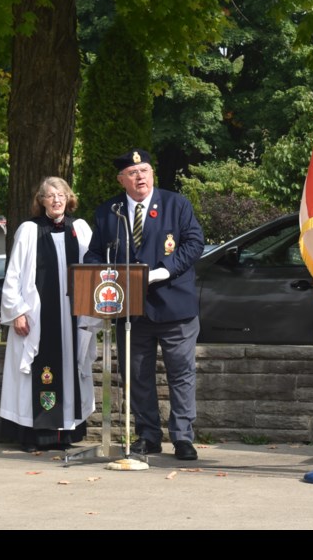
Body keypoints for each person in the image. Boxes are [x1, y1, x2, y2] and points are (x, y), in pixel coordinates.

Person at [84, 149, 204, 461]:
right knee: (137, 375)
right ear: (121, 179)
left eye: (145, 171)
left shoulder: (176, 205)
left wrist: (163, 269)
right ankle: (148, 435)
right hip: (131, 311)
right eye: (134, 173)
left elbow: (194, 243)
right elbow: (94, 255)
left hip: (174, 305)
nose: (141, 177)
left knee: (181, 374)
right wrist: (106, 273)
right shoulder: (109, 212)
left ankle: (182, 438)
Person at [0, 177, 96, 452]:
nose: (56, 200)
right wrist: (17, 311)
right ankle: (33, 436)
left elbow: (94, 267)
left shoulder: (80, 228)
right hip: (36, 318)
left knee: (69, 369)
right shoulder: (29, 230)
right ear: (41, 201)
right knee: (36, 375)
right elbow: (14, 274)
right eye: (50, 195)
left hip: (73, 317)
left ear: (69, 198)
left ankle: (64, 435)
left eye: (61, 194)